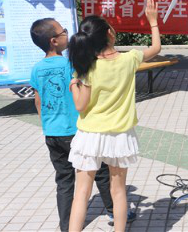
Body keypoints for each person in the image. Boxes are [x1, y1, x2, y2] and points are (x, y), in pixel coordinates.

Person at [67, 0, 161, 232]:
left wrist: (73, 85)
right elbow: (156, 48)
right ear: (109, 33)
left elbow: (80, 106)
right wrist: (153, 21)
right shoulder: (129, 59)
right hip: (120, 135)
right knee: (118, 191)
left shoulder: (87, 67)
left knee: (81, 192)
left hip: (90, 134)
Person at [29, 19, 131, 232]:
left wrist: (46, 125)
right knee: (101, 172)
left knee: (64, 180)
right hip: (75, 131)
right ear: (54, 41)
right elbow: (83, 98)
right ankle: (114, 211)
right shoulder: (70, 65)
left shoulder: (36, 69)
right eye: (64, 31)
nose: (68, 34)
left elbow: (38, 101)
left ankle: (67, 226)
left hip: (52, 133)